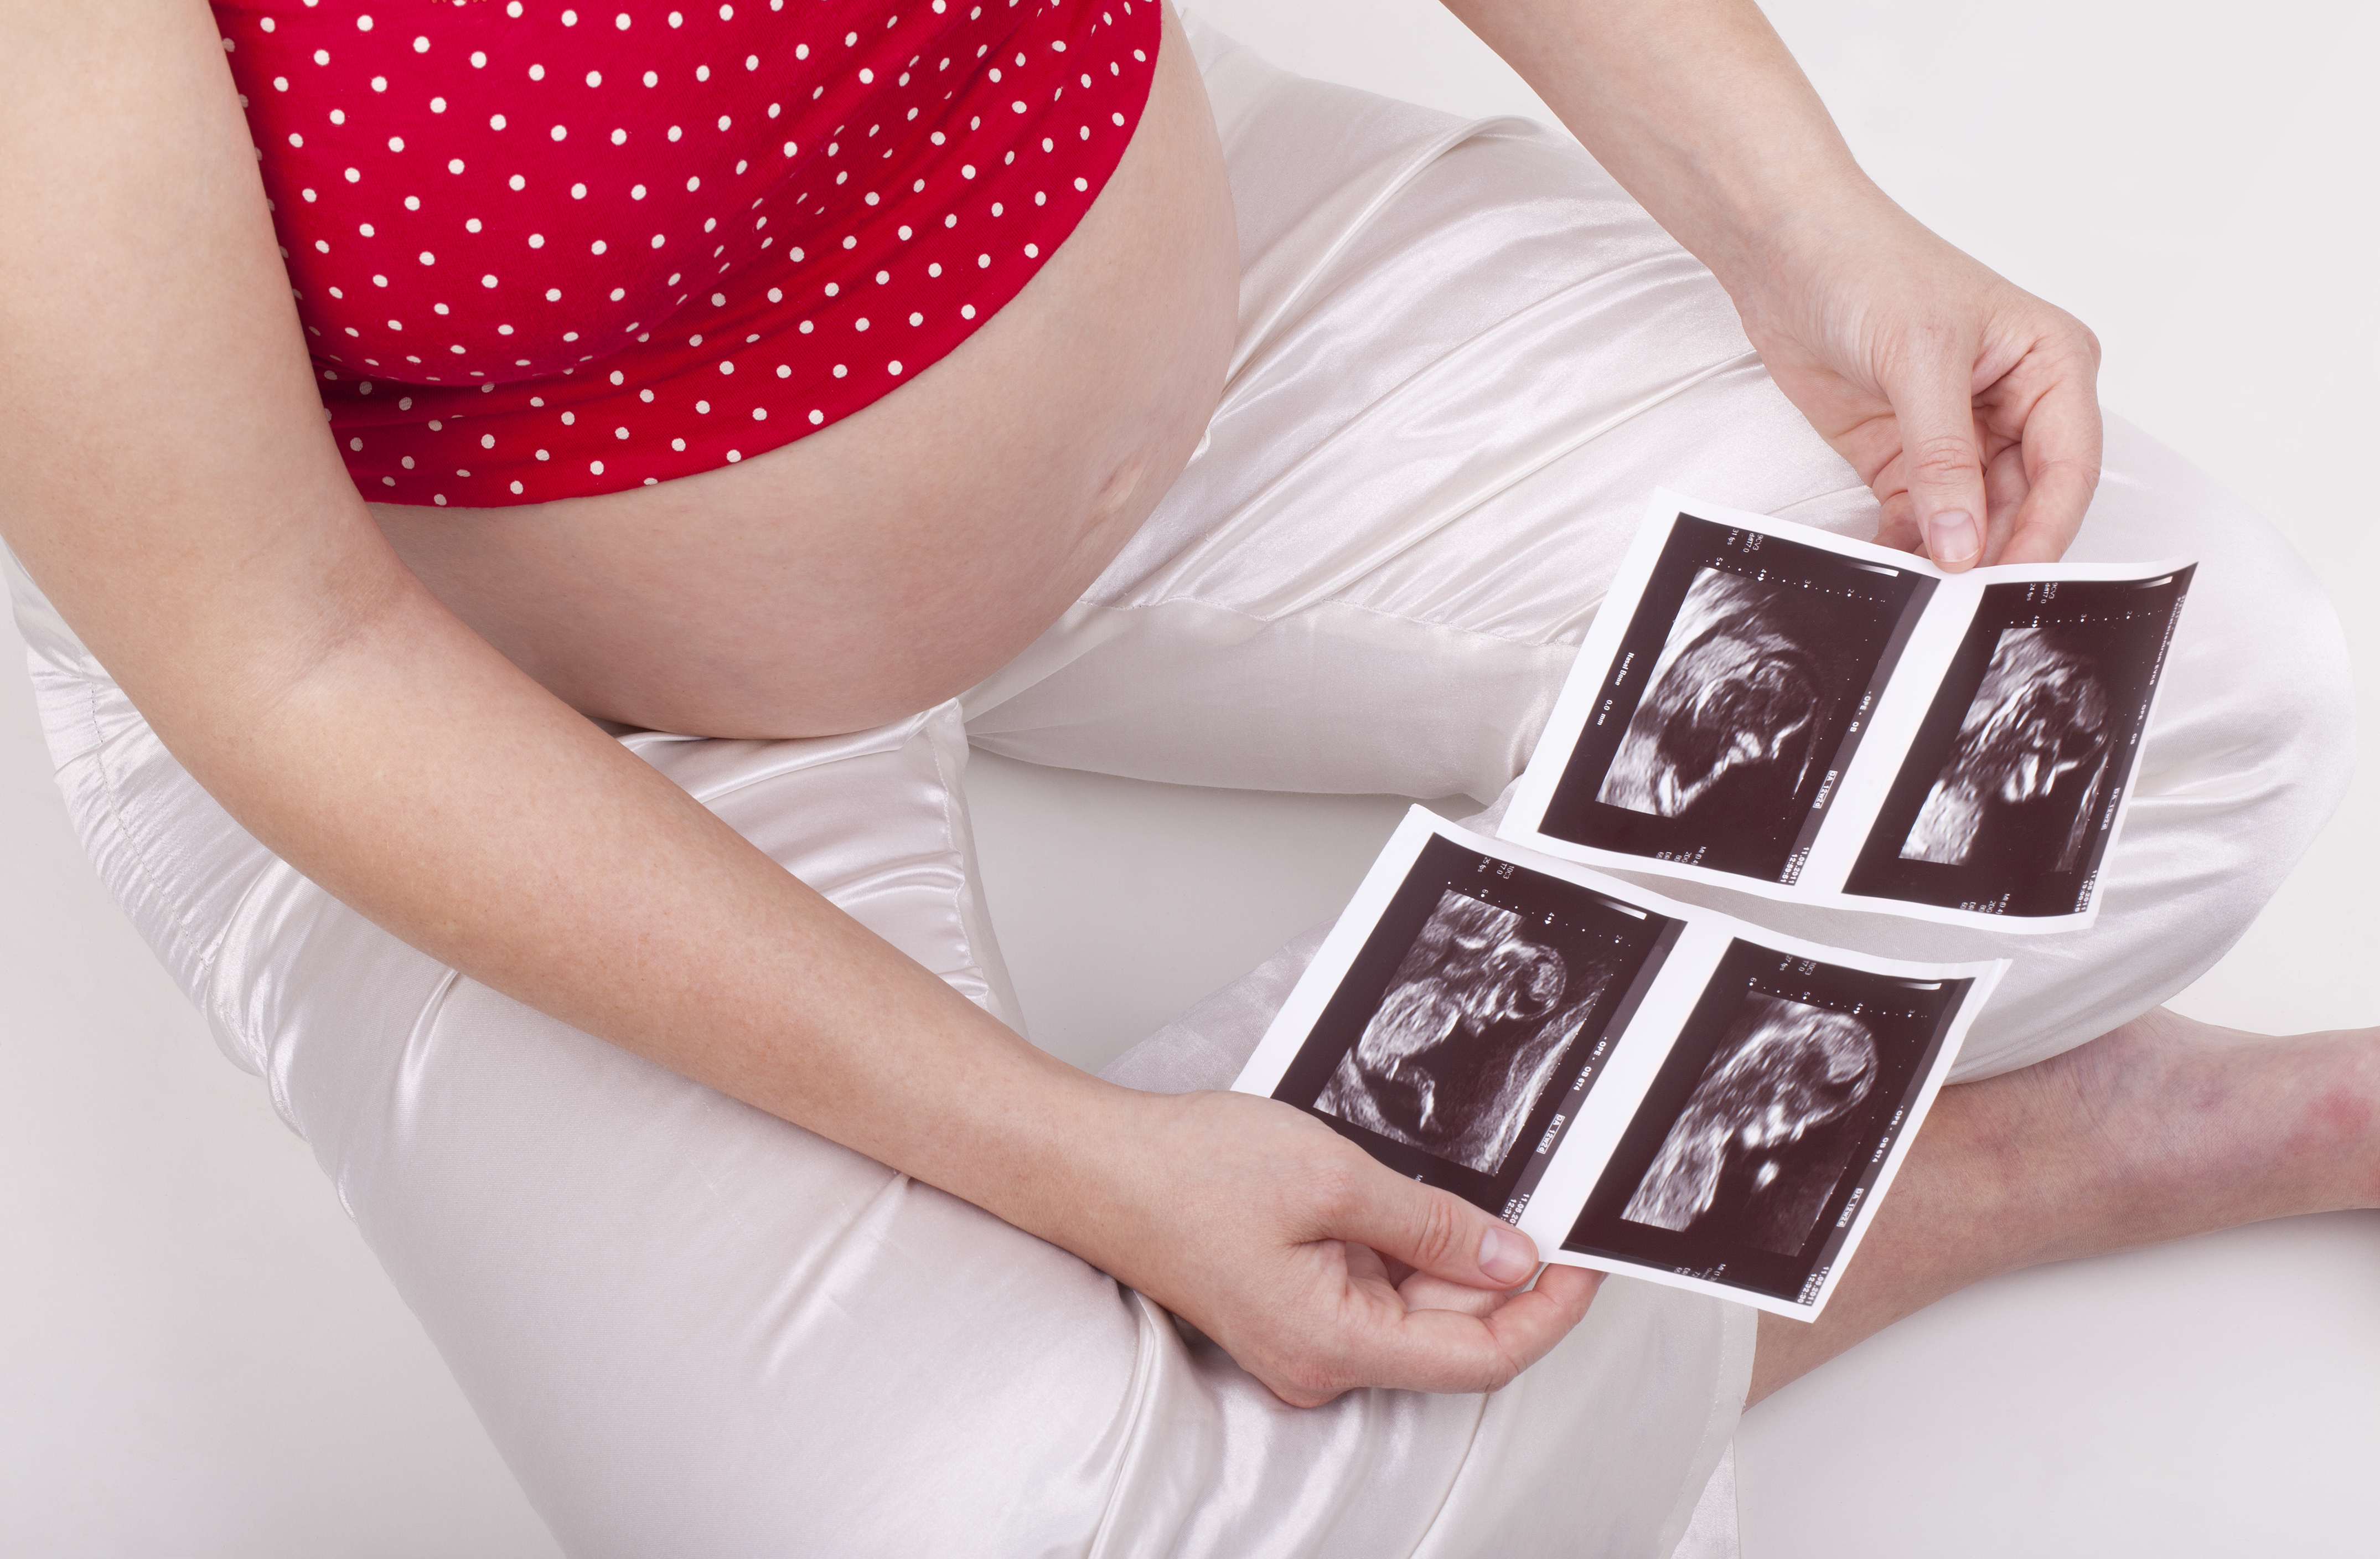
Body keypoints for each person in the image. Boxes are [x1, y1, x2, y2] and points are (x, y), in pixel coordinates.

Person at [0, 0, 2363, 1552]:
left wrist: (1797, 212)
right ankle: (1953, 1177)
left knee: (2177, 689)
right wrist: (1084, 1163)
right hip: (504, 703)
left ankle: (1480, 1313)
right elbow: (292, 660)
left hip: (1221, 334)